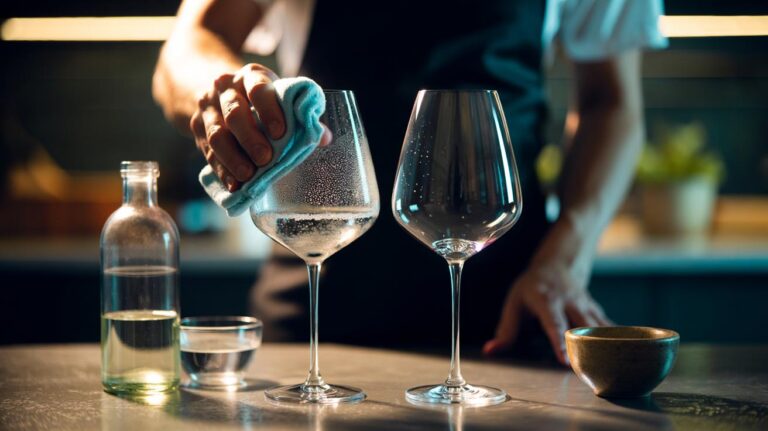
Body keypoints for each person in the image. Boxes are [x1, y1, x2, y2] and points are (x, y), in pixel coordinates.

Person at [154, 0, 667, 365]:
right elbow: (188, 48)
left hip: (508, 306)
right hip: (319, 294)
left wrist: (566, 259)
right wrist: (225, 94)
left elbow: (610, 103)